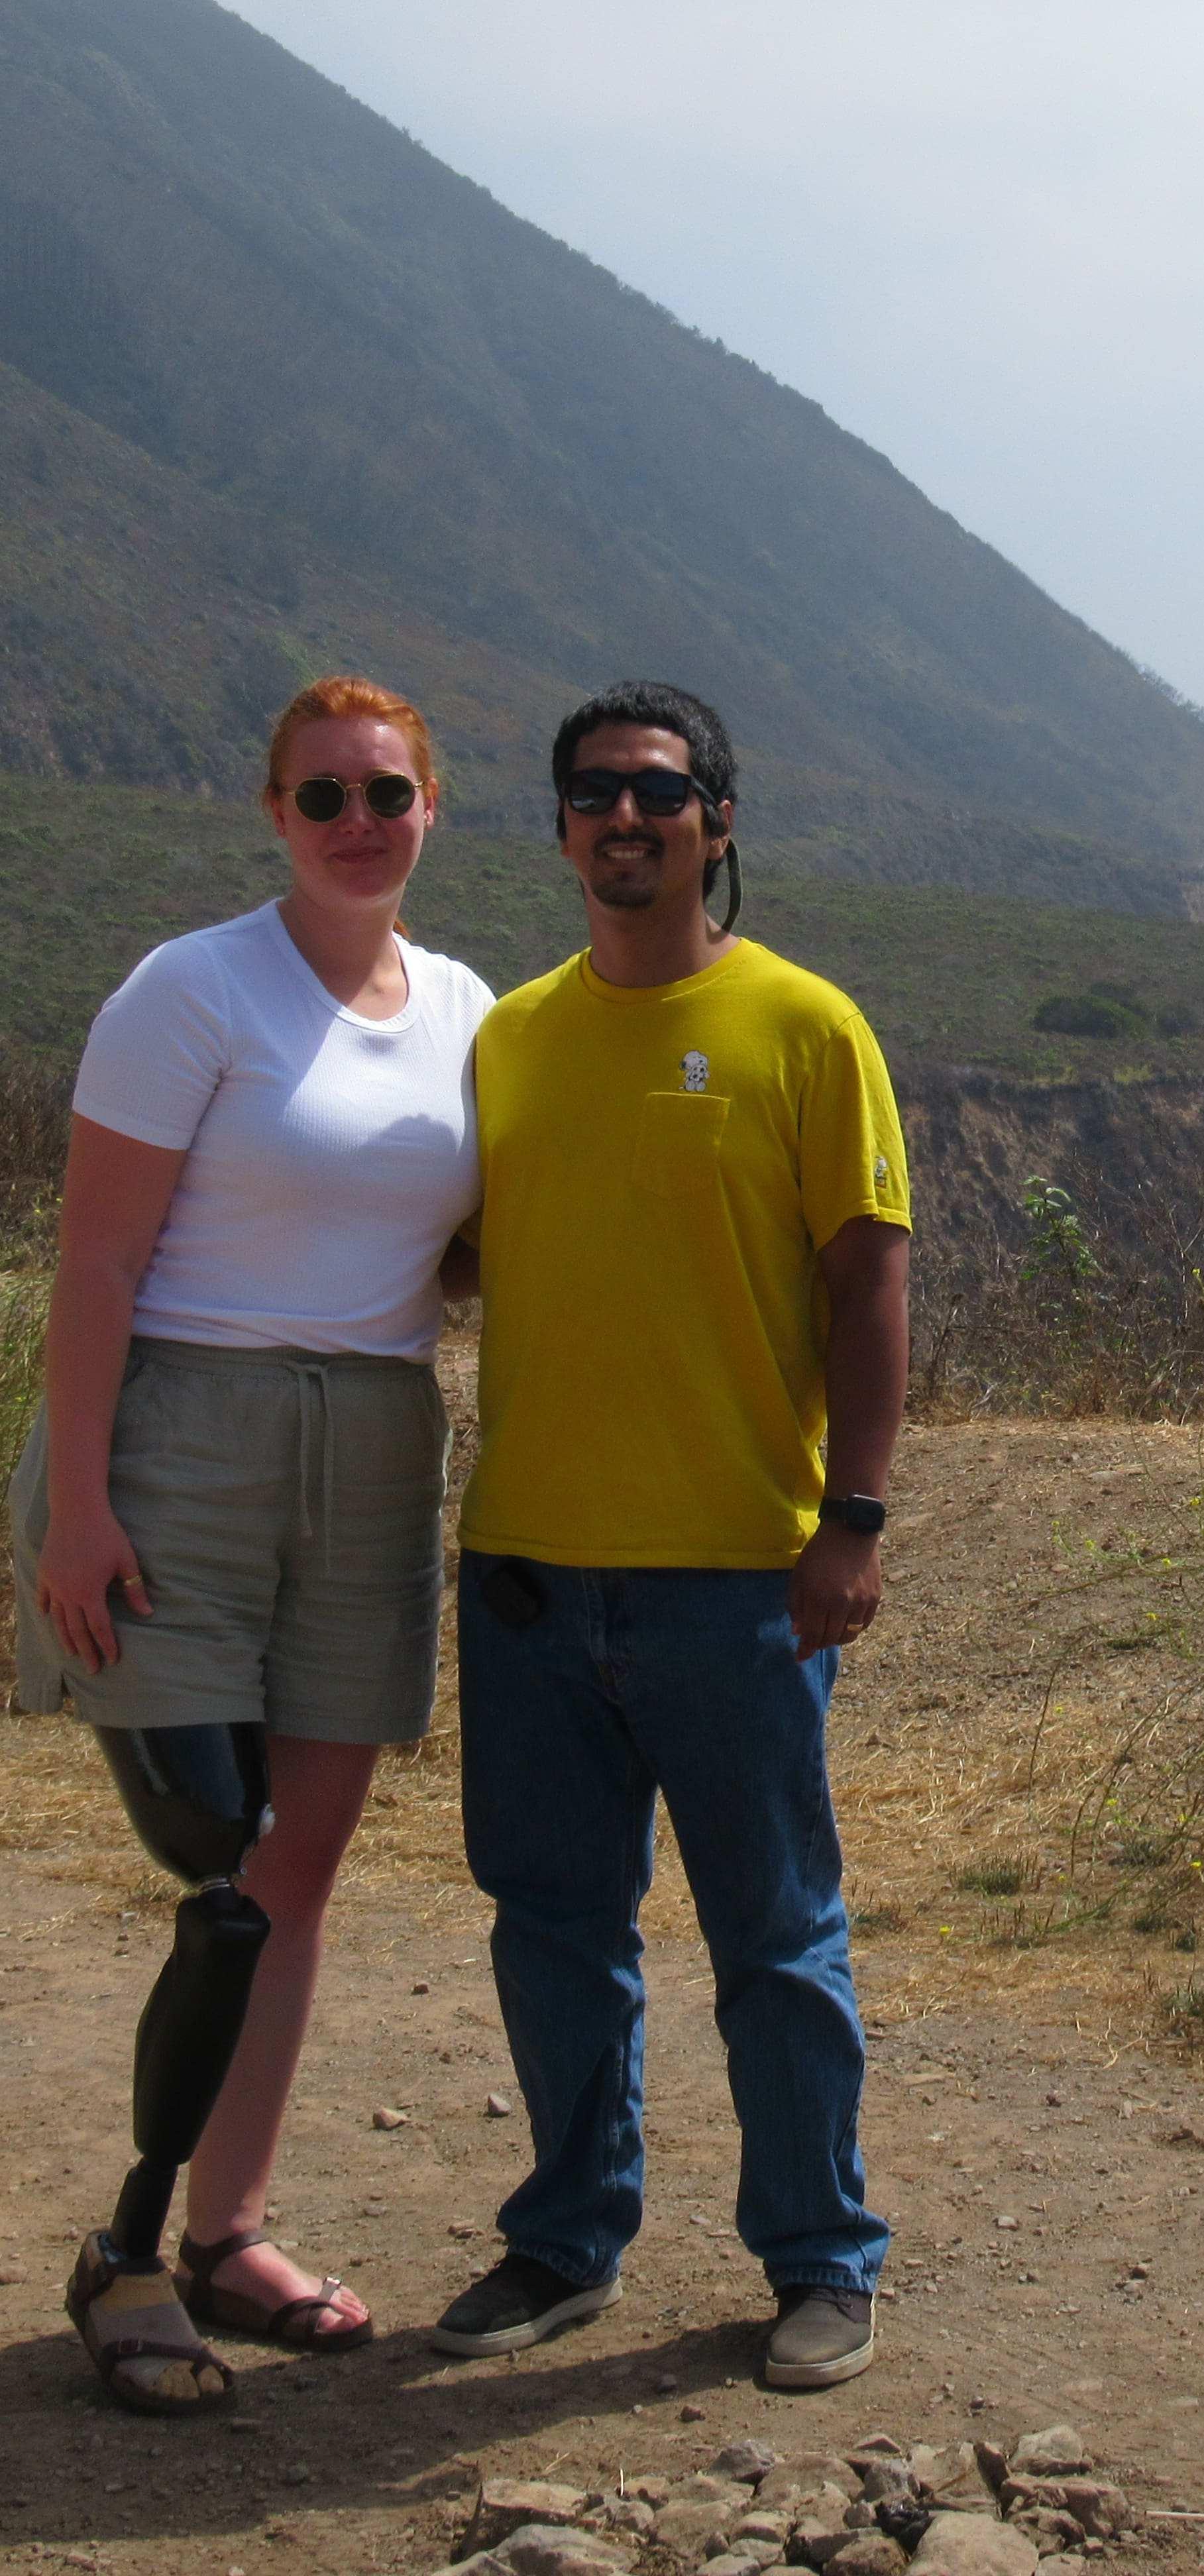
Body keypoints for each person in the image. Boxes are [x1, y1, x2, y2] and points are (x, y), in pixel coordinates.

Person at [8, 676, 492, 2414]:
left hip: (370, 1443)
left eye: (387, 793)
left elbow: (465, 1247)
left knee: (299, 1870)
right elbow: (98, 1267)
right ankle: (126, 2256)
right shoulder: (190, 990)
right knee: (220, 1857)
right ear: (271, 814)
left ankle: (231, 2233)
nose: (358, 822)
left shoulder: (462, 1009)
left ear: (432, 806)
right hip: (179, 1443)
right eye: (322, 797)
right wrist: (77, 1500)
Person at [431, 680, 908, 2390]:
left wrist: (852, 1519)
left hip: (739, 1583)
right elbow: (464, 1250)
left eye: (654, 789)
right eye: (589, 793)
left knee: (775, 1938)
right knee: (553, 1927)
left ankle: (821, 2260)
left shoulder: (805, 1025)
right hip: (532, 1575)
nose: (620, 818)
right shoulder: (511, 1036)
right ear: (559, 826)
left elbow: (869, 1285)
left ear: (717, 815)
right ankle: (566, 2240)